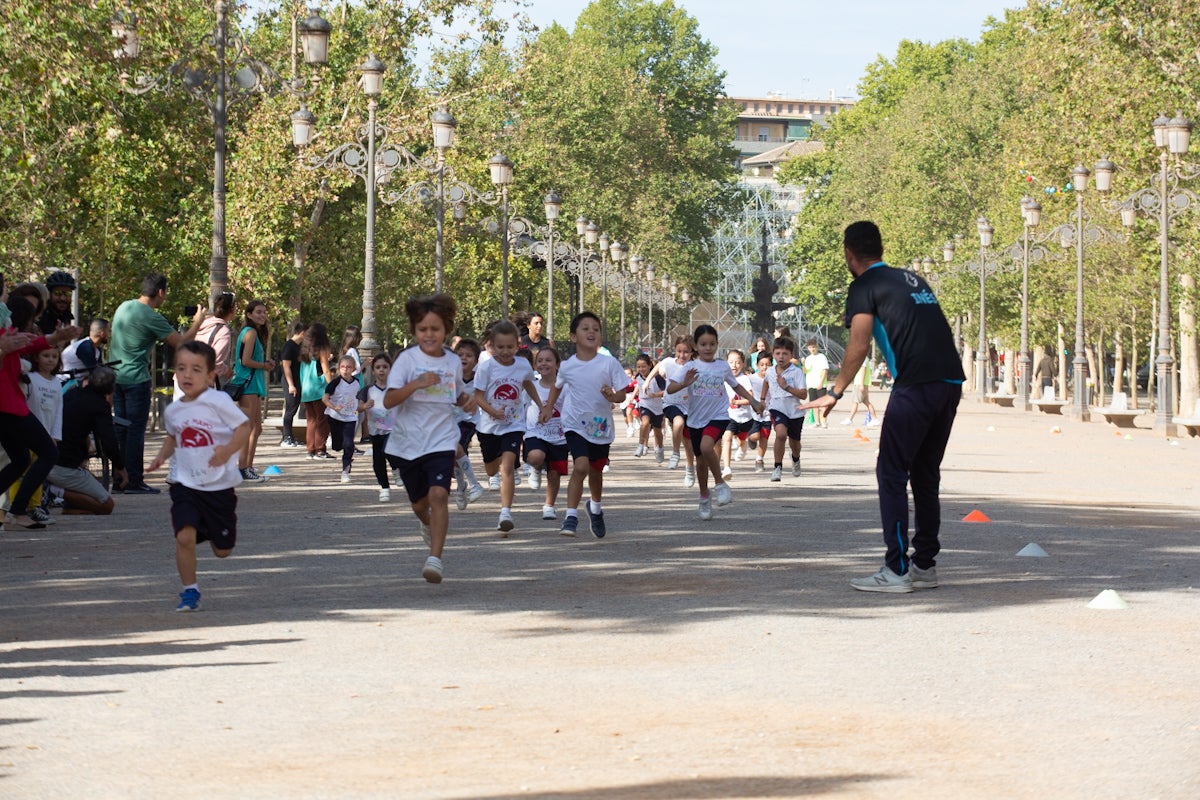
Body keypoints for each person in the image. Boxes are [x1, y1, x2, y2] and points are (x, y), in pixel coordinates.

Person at [800, 220, 965, 593]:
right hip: (949, 382)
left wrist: (836, 391)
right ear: (881, 249)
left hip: (917, 384)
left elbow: (858, 343)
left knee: (891, 472)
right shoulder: (912, 280)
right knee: (925, 473)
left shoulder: (864, 285)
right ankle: (924, 565)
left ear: (849, 253)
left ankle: (896, 569)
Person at [148, 340, 251, 611]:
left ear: (210, 375)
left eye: (195, 369)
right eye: (181, 368)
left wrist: (228, 450)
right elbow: (173, 436)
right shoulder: (174, 408)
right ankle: (190, 591)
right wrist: (161, 456)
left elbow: (244, 427)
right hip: (186, 483)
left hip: (219, 487)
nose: (187, 375)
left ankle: (207, 527)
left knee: (223, 550)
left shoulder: (219, 401)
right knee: (184, 537)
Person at [383, 293, 477, 584]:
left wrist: (465, 401)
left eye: (435, 329)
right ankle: (427, 523)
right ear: (414, 331)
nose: (429, 335)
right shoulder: (406, 360)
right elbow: (388, 400)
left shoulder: (451, 361)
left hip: (441, 439)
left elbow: (457, 392)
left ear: (446, 331)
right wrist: (416, 384)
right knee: (418, 504)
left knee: (439, 495)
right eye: (423, 329)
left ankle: (435, 559)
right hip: (408, 442)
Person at [109, 273, 206, 494]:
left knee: (121, 430)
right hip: (136, 379)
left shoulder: (124, 307)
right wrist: (197, 324)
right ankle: (133, 481)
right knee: (134, 431)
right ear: (160, 292)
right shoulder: (150, 316)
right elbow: (180, 343)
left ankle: (119, 479)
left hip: (116, 377)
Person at [538, 311, 627, 538]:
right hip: (574, 423)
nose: (591, 332)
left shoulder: (609, 363)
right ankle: (570, 518)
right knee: (580, 466)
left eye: (595, 329)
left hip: (600, 426)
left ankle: (595, 509)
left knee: (596, 471)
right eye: (585, 328)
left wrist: (611, 396)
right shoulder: (567, 366)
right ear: (573, 336)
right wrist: (548, 408)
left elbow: (622, 396)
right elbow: (557, 386)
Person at [0, 291, 79, 529]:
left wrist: (56, 337)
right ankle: (17, 511)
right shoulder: (5, 330)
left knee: (21, 458)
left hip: (9, 405)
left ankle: (15, 511)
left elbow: (30, 342)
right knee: (48, 452)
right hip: (9, 406)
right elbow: (28, 342)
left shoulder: (7, 333)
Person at [668, 325, 763, 521]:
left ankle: (720, 484)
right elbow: (670, 389)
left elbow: (735, 385)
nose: (708, 348)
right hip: (695, 420)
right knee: (701, 463)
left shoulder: (721, 366)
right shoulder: (689, 367)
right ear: (696, 345)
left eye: (712, 344)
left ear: (717, 345)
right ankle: (704, 497)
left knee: (706, 446)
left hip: (718, 416)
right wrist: (684, 383)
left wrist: (753, 401)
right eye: (703, 344)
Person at [473, 320, 543, 534]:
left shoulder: (522, 365)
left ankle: (505, 512)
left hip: (513, 424)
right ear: (492, 345)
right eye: (500, 347)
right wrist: (492, 412)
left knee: (508, 465)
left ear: (517, 344)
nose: (505, 351)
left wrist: (542, 406)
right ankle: (493, 476)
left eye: (509, 347)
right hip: (488, 426)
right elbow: (477, 396)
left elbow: (528, 383)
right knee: (492, 469)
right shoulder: (486, 367)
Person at [47, 366, 127, 515]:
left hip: (49, 458)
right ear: (112, 389)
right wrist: (120, 466)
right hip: (65, 467)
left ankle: (70, 504)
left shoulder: (72, 394)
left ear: (88, 381)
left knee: (86, 489)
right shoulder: (100, 406)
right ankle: (52, 490)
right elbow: (109, 441)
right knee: (107, 505)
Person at [7, 343, 63, 524]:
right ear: (36, 358)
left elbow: (59, 411)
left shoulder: (56, 382)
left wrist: (55, 435)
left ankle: (33, 507)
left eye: (54, 356)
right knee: (21, 468)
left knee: (37, 472)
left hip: (44, 433)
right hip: (26, 431)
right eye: (46, 356)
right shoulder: (29, 378)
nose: (50, 360)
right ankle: (15, 508)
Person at [230, 299, 275, 483]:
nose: (262, 315)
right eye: (258, 312)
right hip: (247, 384)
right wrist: (264, 366)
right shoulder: (250, 333)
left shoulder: (253, 333)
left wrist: (265, 365)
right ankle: (242, 468)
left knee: (256, 427)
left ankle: (247, 466)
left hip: (253, 384)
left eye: (264, 312)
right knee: (248, 428)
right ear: (249, 314)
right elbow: (245, 361)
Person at [523, 347, 568, 522]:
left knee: (554, 474)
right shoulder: (530, 386)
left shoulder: (565, 387)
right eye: (540, 360)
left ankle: (549, 505)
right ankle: (535, 467)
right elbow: (521, 405)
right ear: (535, 365)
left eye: (548, 360)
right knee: (535, 457)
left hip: (559, 436)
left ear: (557, 364)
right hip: (535, 433)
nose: (544, 363)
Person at [645, 336, 696, 486]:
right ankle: (675, 453)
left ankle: (690, 469)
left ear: (692, 352)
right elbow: (657, 367)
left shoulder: (694, 366)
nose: (682, 355)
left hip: (689, 406)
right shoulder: (668, 362)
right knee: (678, 422)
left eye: (686, 352)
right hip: (670, 403)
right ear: (675, 350)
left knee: (688, 443)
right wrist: (647, 381)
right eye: (679, 351)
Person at [760, 336, 808, 482]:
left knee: (795, 443)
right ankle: (777, 467)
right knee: (780, 435)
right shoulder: (769, 371)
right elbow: (766, 383)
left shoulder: (796, 372)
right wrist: (762, 400)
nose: (781, 357)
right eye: (778, 353)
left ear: (791, 356)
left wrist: (786, 386)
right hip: (776, 407)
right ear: (773, 354)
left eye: (785, 354)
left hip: (794, 410)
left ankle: (796, 458)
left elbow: (804, 394)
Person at [359, 353, 404, 502]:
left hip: (394, 429)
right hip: (375, 430)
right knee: (378, 461)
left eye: (385, 367)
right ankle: (384, 487)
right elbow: (357, 406)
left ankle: (397, 470)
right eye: (378, 367)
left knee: (388, 449)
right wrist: (364, 406)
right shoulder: (368, 390)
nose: (381, 370)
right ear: (373, 371)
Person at [451, 338, 485, 509]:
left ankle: (474, 484)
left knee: (457, 448)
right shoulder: (450, 377)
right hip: (449, 420)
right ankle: (461, 486)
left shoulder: (480, 378)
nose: (464, 358)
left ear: (476, 360)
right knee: (455, 454)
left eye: (469, 355)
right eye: (460, 355)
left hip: (469, 421)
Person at [324, 355, 365, 483]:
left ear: (353, 369)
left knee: (349, 444)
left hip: (350, 418)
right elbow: (324, 399)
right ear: (339, 368)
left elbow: (356, 401)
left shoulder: (357, 383)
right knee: (337, 446)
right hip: (335, 417)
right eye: (342, 367)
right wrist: (334, 407)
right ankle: (335, 443)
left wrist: (363, 406)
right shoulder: (335, 383)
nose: (345, 370)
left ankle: (345, 470)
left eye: (348, 367)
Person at [721, 349, 762, 476]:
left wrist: (736, 402)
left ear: (743, 364)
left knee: (741, 441)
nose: (734, 365)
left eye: (738, 362)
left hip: (745, 418)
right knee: (726, 437)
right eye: (731, 362)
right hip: (729, 417)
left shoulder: (745, 379)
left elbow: (750, 398)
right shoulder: (722, 378)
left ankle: (743, 447)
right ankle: (727, 468)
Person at [299, 322, 334, 460]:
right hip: (320, 389)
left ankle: (310, 450)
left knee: (311, 420)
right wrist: (332, 386)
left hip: (307, 389)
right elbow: (325, 369)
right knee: (322, 420)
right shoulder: (322, 349)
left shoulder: (305, 351)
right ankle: (320, 449)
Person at [278, 319, 307, 447]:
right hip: (290, 381)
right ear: (303, 333)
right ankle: (286, 436)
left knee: (294, 408)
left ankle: (290, 436)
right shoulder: (289, 346)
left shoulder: (298, 347)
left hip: (297, 380)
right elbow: (286, 366)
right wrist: (290, 384)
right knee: (291, 408)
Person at [633, 353, 665, 462]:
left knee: (657, 431)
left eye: (643, 366)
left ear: (650, 365)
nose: (641, 369)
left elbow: (666, 391)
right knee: (645, 422)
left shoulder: (657, 378)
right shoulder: (637, 377)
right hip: (644, 403)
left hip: (657, 406)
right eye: (638, 367)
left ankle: (659, 449)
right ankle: (641, 445)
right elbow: (637, 387)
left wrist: (656, 394)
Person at [841, 358, 879, 426]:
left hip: (860, 383)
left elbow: (863, 370)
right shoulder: (866, 358)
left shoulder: (863, 358)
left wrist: (861, 384)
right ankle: (875, 419)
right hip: (863, 383)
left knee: (855, 402)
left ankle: (850, 419)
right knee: (866, 402)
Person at [38, 271, 77, 335]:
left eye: (67, 294)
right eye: (58, 293)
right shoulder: (38, 317)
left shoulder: (66, 317)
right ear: (49, 294)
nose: (63, 298)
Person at [802, 338, 830, 428]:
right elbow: (805, 371)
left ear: (817, 347)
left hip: (821, 383)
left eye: (813, 347)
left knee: (823, 404)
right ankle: (817, 422)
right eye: (810, 347)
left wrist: (821, 382)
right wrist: (802, 363)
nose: (812, 349)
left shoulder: (822, 357)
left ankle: (824, 420)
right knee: (814, 404)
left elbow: (825, 370)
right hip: (811, 383)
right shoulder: (808, 358)